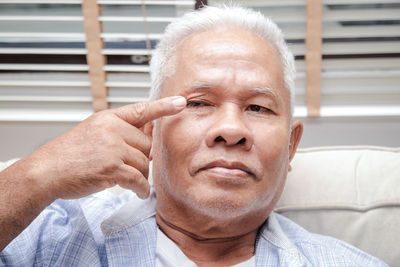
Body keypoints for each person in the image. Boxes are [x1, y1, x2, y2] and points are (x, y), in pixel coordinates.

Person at [0, 5, 387, 267]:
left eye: (258, 107)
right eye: (200, 103)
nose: (232, 130)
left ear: (291, 145)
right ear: (151, 130)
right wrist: (37, 173)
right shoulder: (48, 237)